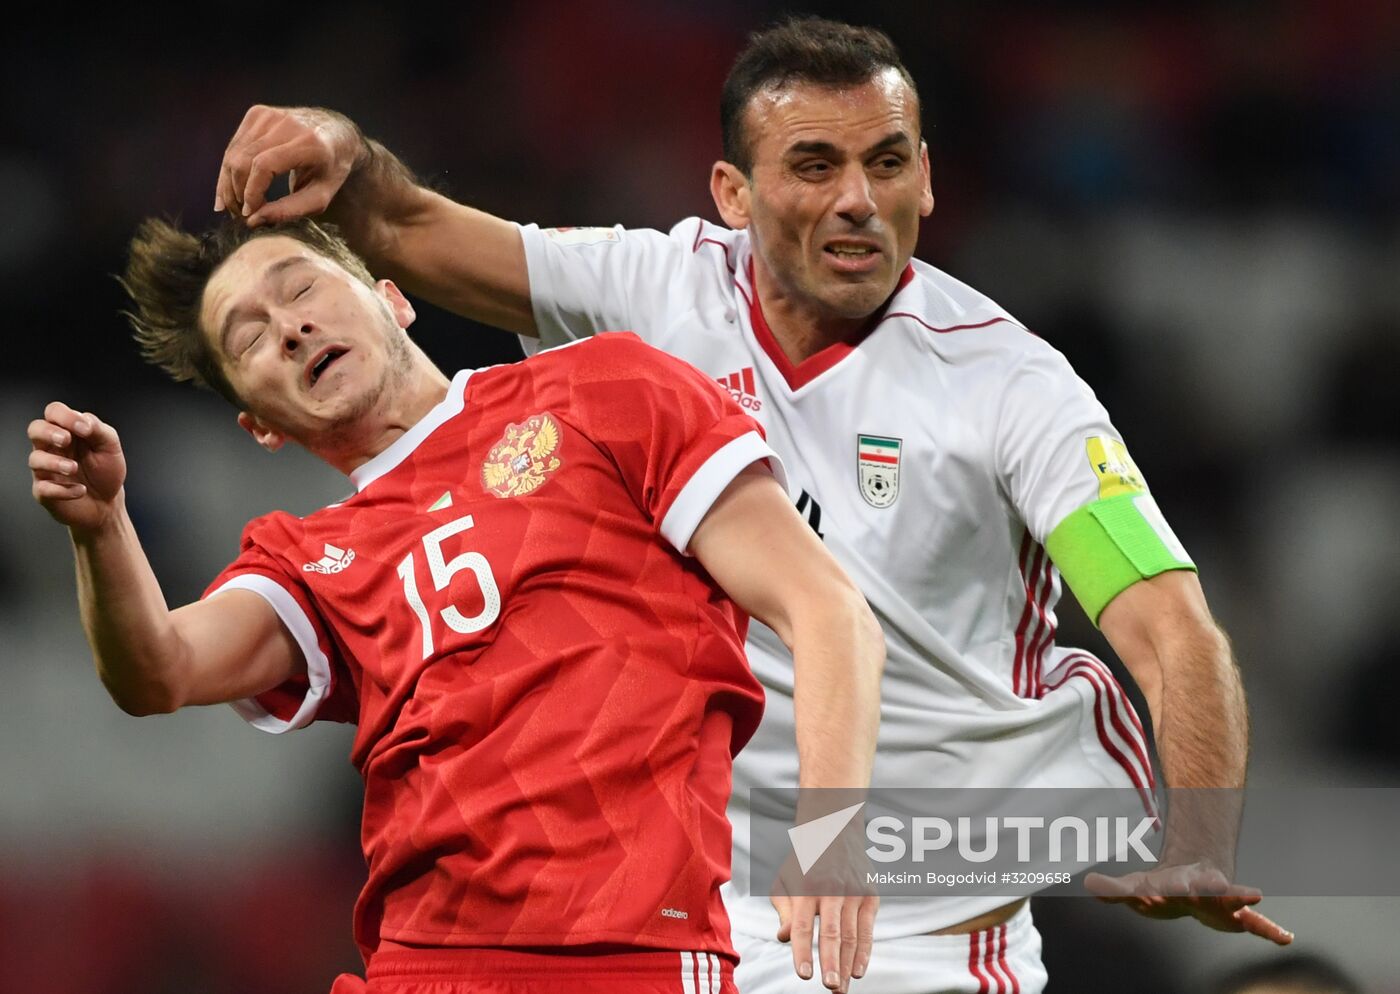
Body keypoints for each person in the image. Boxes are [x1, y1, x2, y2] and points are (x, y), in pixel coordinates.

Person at [211, 15, 1293, 994]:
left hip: (914, 915)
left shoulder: (1017, 388)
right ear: (732, 193)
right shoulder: (657, 290)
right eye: (812, 166)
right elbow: (403, 224)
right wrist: (338, 144)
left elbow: (1166, 626)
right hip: (684, 908)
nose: (854, 201)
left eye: (884, 163)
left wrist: (1197, 835)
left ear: (926, 179)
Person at [26, 215, 886, 994]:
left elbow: (828, 611)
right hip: (421, 965)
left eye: (300, 288)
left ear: (390, 298)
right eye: (249, 337)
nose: (289, 328)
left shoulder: (602, 388)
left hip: (628, 957)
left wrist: (832, 837)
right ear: (261, 426)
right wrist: (100, 528)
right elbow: (157, 671)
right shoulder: (306, 559)